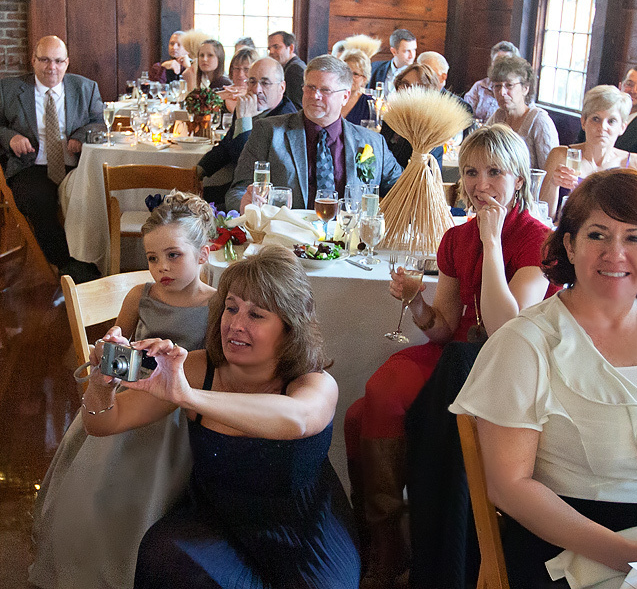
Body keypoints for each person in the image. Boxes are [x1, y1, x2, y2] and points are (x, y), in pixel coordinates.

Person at [450, 169, 637, 589]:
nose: (615, 253)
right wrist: (635, 559)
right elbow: (508, 486)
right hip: (576, 560)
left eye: (635, 237)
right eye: (597, 235)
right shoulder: (526, 343)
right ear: (568, 245)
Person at [344, 124, 555, 588]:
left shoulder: (537, 239)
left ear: (518, 180)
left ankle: (412, 548)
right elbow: (441, 327)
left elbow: (507, 328)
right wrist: (417, 301)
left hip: (507, 366)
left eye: (495, 172)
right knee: (363, 410)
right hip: (457, 355)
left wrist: (494, 240)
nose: (481, 185)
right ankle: (388, 543)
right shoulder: (456, 238)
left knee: (373, 411)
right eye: (473, 172)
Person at [80, 245, 360, 589]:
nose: (236, 325)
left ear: (290, 326)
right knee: (163, 555)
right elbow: (101, 423)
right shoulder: (199, 368)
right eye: (231, 309)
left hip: (303, 530)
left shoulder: (314, 383)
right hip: (217, 520)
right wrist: (101, 386)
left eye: (256, 315)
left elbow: (297, 420)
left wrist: (188, 396)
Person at [30, 191, 217, 589]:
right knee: (100, 492)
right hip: (126, 406)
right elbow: (119, 340)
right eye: (152, 258)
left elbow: (213, 370)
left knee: (151, 501)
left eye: (173, 255)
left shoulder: (216, 306)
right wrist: (113, 343)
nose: (161, 268)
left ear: (203, 254)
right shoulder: (141, 296)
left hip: (178, 418)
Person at [227, 55, 403, 213]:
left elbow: (402, 189)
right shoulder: (269, 132)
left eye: (325, 90)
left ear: (345, 96)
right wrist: (245, 204)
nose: (315, 95)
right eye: (310, 87)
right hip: (288, 242)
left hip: (349, 240)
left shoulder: (371, 142)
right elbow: (238, 190)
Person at [0, 35, 103, 283]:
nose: (51, 67)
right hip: (29, 165)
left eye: (58, 61)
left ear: (67, 63)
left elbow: (99, 123)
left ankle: (92, 259)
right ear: (33, 60)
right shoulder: (9, 89)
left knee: (93, 195)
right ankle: (68, 263)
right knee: (38, 199)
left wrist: (81, 135)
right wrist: (10, 137)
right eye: (44, 60)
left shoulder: (85, 88)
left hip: (74, 164)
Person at [198, 57, 296, 209]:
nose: (256, 90)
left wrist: (244, 121)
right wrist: (200, 169)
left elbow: (246, 163)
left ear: (281, 87)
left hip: (263, 200)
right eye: (252, 82)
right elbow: (226, 146)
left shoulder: (286, 121)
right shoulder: (248, 106)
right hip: (237, 190)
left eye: (265, 83)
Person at [541, 85, 637, 219]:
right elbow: (544, 217)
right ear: (583, 122)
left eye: (611, 121)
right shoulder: (561, 155)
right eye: (596, 119)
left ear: (622, 127)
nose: (602, 127)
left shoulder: (636, 164)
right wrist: (553, 184)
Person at [576, 66, 637, 180]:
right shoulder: (596, 116)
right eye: (629, 84)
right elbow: (577, 150)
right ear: (620, 86)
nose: (633, 90)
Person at [486, 55, 559, 169]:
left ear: (525, 88)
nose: (502, 92)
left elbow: (550, 174)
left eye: (509, 85)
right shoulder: (498, 117)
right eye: (497, 86)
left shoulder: (539, 121)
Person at [380, 63, 445, 169]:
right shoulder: (390, 120)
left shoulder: (430, 130)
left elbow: (428, 176)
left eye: (417, 87)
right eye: (405, 84)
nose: (409, 91)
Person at [464, 41, 519, 121]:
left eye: (506, 62)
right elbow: (464, 114)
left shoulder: (519, 89)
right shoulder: (479, 87)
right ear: (492, 64)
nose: (500, 66)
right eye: (497, 61)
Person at [368, 29, 416, 96]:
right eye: (407, 51)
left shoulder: (417, 74)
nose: (412, 56)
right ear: (394, 51)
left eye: (414, 50)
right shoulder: (375, 68)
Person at [268, 31, 307, 109]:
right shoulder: (292, 66)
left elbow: (295, 107)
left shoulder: (294, 70)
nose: (271, 52)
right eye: (269, 48)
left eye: (276, 47)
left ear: (291, 48)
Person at [339, 48, 375, 125]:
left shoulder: (369, 105)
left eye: (355, 74)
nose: (350, 77)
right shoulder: (331, 97)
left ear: (364, 79)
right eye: (347, 71)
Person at [219, 47, 260, 113]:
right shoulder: (221, 92)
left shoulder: (260, 99)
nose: (240, 74)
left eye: (246, 69)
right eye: (237, 69)